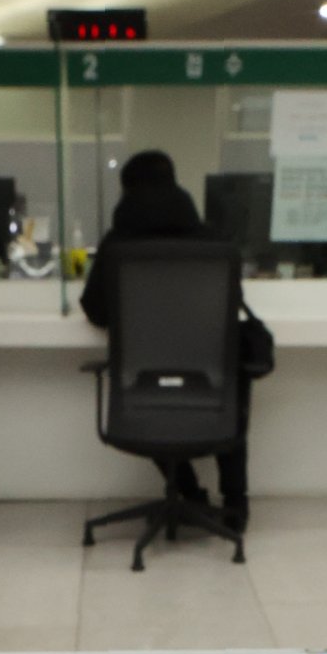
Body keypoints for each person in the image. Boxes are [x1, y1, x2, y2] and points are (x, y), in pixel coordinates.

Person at [81, 150, 251, 534]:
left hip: (142, 388)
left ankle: (189, 492)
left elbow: (96, 310)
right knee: (233, 385)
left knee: (149, 404)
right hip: (207, 386)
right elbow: (232, 305)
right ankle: (236, 505)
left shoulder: (117, 245)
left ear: (127, 191)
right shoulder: (214, 242)